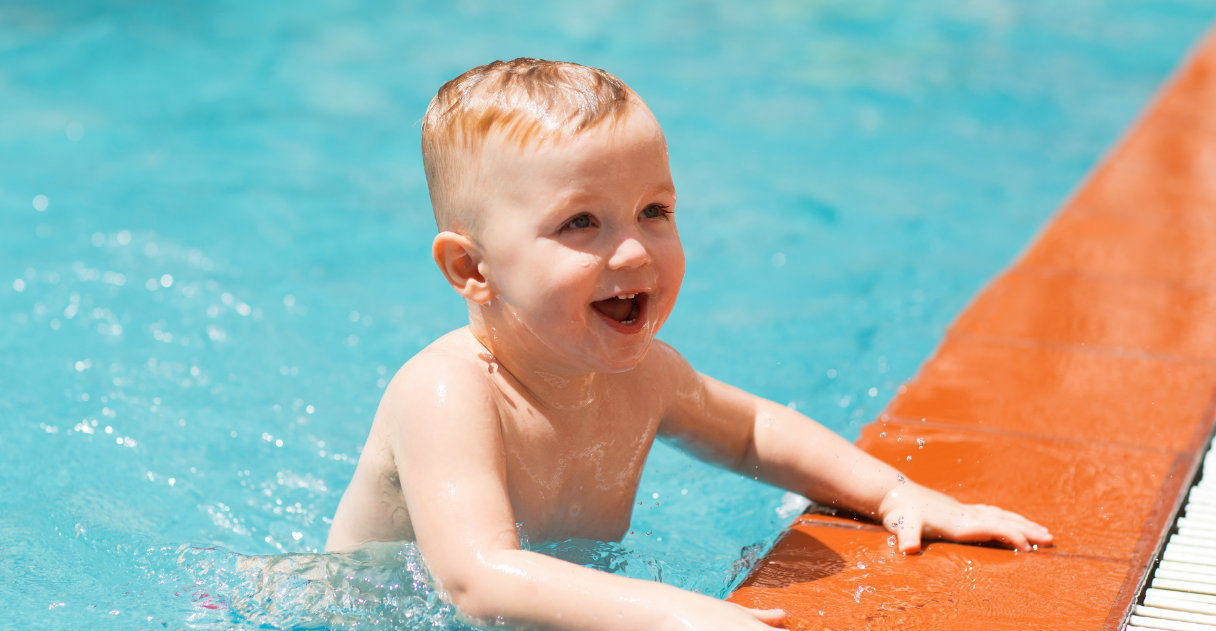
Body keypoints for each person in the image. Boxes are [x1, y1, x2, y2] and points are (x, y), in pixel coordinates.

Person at [325, 58, 1052, 630]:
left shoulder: (644, 377)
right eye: (582, 222)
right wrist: (670, 610)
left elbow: (752, 431)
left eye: (654, 210)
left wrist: (896, 492)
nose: (636, 251)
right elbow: (477, 579)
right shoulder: (448, 391)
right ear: (473, 269)